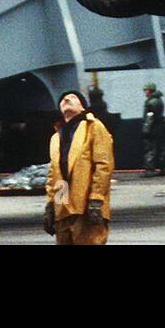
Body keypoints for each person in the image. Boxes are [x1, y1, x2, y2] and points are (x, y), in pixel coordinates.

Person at [44, 90, 114, 245]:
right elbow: (55, 175)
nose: (66, 99)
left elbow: (103, 165)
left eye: (72, 97)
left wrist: (96, 200)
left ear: (83, 107)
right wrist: (51, 205)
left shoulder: (94, 127)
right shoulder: (56, 138)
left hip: (86, 207)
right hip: (64, 210)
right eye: (62, 99)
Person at [141, 81, 165, 177]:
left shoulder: (151, 102)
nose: (144, 92)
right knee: (161, 149)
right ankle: (163, 168)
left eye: (145, 90)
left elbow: (149, 117)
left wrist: (146, 129)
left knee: (150, 149)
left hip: (152, 129)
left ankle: (149, 170)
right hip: (160, 128)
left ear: (150, 90)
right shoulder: (159, 100)